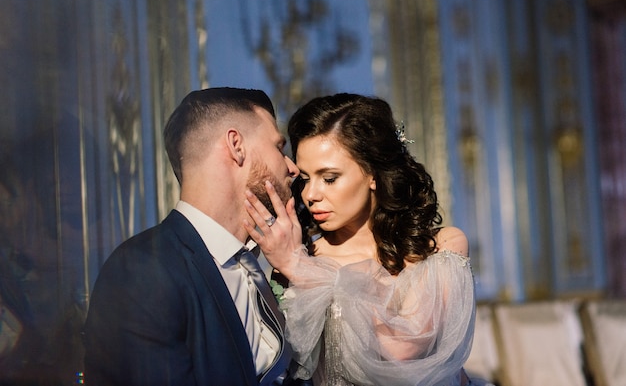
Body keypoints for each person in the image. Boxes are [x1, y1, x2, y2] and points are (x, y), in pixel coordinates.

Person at [243, 93, 480, 386]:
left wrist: (300, 271)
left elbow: (402, 349)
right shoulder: (302, 256)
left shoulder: (441, 247)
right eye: (305, 178)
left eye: (329, 178)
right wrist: (295, 267)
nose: (311, 194)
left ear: (372, 173)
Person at [83, 88, 301, 386]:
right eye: (279, 147)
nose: (292, 167)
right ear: (236, 145)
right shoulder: (143, 271)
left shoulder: (253, 265)